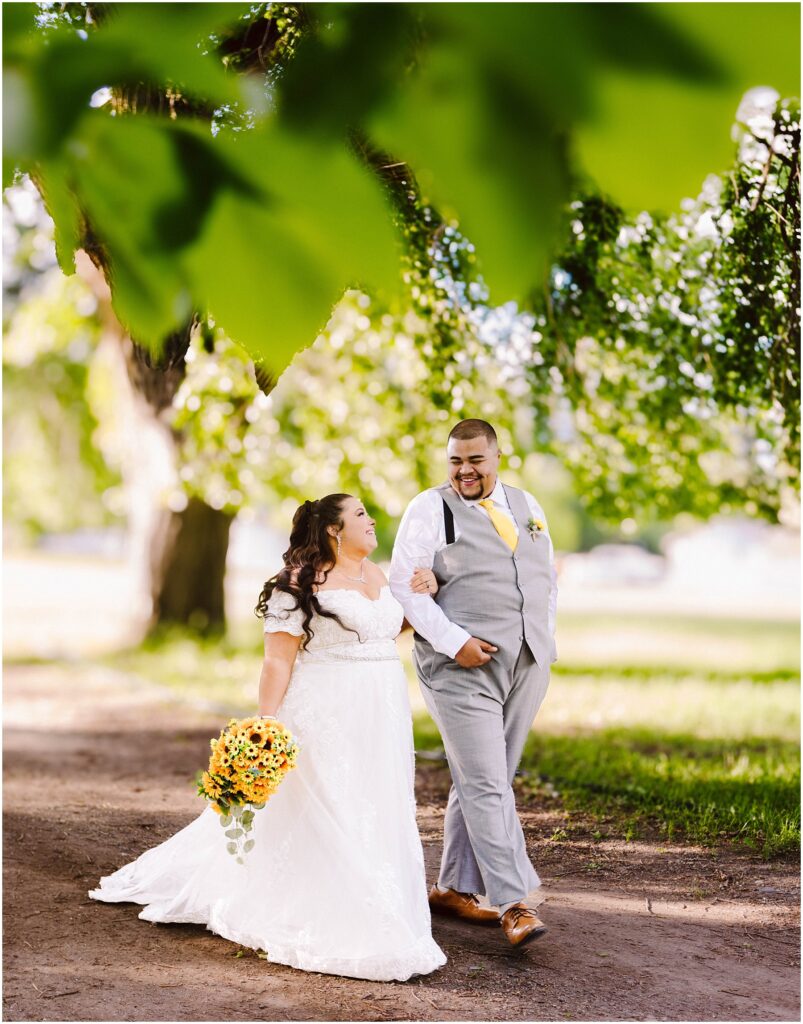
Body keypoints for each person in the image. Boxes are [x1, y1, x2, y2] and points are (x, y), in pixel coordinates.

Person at [89, 493, 446, 982]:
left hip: (381, 711)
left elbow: (387, 629)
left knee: (374, 801)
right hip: (324, 711)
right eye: (361, 514)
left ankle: (377, 893)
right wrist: (265, 725)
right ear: (334, 530)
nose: (372, 520)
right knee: (334, 804)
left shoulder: (378, 575)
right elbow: (278, 660)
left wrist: (422, 591)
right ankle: (347, 908)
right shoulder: (299, 583)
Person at [389, 419, 557, 948]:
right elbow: (406, 587)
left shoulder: (528, 507)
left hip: (526, 660)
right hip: (459, 666)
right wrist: (452, 640)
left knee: (489, 775)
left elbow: (545, 578)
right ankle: (514, 903)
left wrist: (544, 642)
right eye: (455, 461)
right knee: (487, 782)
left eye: (475, 460)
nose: (464, 471)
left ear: (497, 457)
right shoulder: (429, 508)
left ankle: (452, 887)